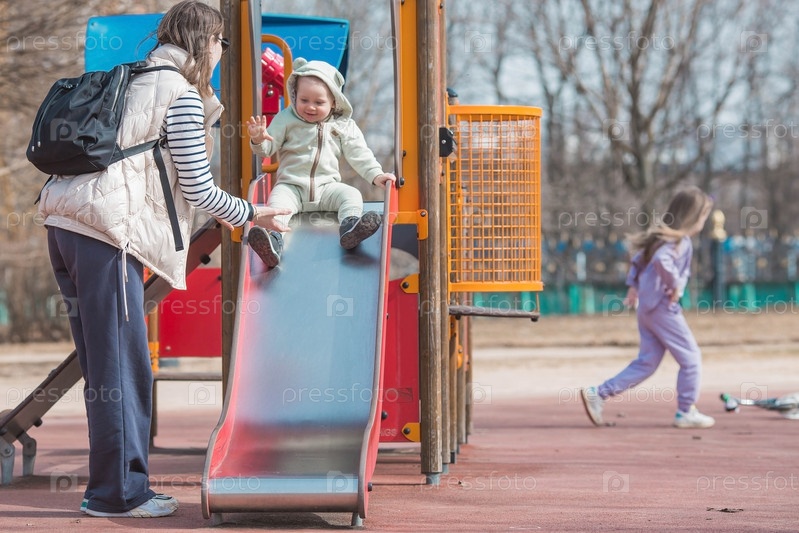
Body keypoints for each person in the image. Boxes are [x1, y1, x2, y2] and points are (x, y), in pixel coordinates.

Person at [37, 0, 289, 518]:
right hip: (107, 234)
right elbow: (199, 188)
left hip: (65, 224)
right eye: (220, 42)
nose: (221, 52)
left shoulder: (132, 76)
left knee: (104, 366)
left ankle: (111, 488)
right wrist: (252, 214)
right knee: (123, 367)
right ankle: (118, 494)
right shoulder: (179, 94)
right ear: (206, 41)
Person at [580, 186, 715, 429]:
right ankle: (686, 411)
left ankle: (598, 394)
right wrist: (675, 285)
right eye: (704, 215)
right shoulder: (679, 242)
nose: (704, 221)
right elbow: (662, 261)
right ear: (693, 216)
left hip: (647, 309)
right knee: (691, 358)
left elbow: (640, 259)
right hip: (663, 308)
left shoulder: (660, 239)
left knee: (647, 362)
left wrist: (633, 286)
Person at [245, 58, 396, 268]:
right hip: (291, 187)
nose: (310, 107)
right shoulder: (285, 119)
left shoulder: (343, 125)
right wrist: (258, 140)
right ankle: (273, 242)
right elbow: (267, 149)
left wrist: (376, 175)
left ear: (334, 101)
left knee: (351, 194)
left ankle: (350, 227)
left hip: (327, 189)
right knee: (277, 205)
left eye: (319, 102)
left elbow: (359, 153)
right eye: (304, 100)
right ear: (295, 95)